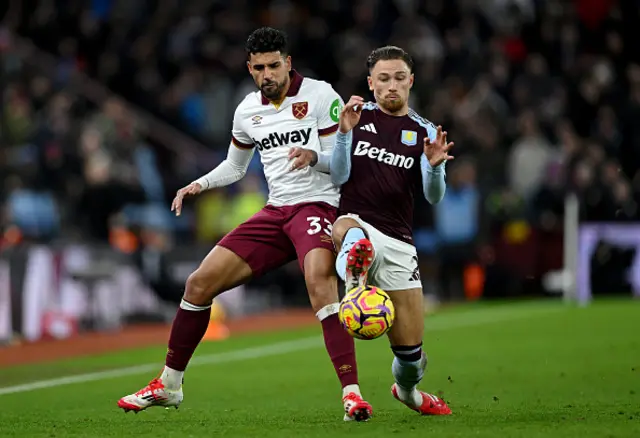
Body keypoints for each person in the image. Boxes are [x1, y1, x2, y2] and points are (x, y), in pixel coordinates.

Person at [117, 27, 373, 422]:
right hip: (275, 213)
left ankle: (352, 395)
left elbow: (342, 166)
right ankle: (169, 384)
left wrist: (313, 156)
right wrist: (198, 184)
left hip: (317, 207)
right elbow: (236, 167)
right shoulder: (247, 111)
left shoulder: (322, 96)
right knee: (198, 284)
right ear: (250, 69)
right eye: (259, 68)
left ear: (288, 63)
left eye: (274, 65)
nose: (267, 74)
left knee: (320, 285)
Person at [290, 45, 453, 415]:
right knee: (348, 230)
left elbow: (434, 196)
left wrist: (436, 166)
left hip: (398, 241)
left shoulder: (423, 130)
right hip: (357, 221)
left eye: (399, 78)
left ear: (411, 81)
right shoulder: (356, 118)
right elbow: (343, 173)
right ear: (370, 83)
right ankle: (355, 286)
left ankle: (408, 392)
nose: (391, 86)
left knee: (411, 357)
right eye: (383, 79)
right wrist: (335, 141)